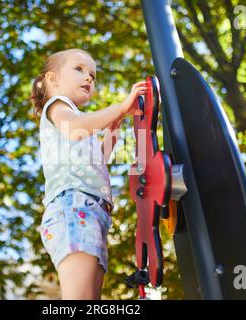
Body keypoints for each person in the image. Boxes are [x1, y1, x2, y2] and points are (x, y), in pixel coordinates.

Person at [31, 48, 146, 299]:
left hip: (92, 211)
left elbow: (97, 161)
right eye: (79, 69)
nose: (89, 78)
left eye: (92, 75)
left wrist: (113, 129)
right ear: (52, 79)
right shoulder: (59, 106)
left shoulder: (80, 120)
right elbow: (74, 129)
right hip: (72, 206)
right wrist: (118, 107)